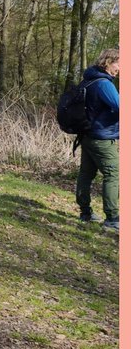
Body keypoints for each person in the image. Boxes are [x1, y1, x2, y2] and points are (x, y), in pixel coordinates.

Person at [76, 47, 119, 232]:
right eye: (119, 64)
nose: (120, 68)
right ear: (109, 62)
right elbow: (120, 107)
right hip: (102, 137)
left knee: (86, 174)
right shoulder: (104, 84)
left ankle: (85, 212)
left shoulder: (88, 80)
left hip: (87, 135)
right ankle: (113, 218)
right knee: (113, 174)